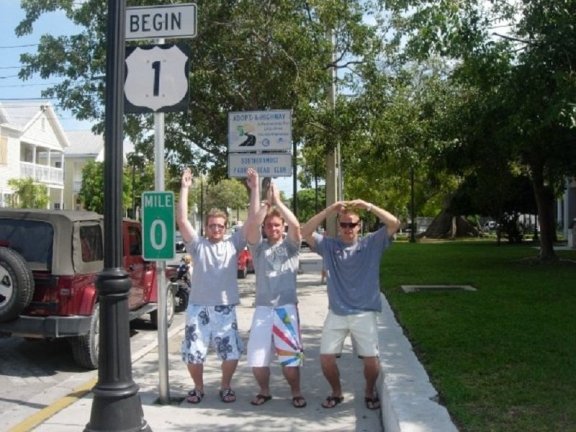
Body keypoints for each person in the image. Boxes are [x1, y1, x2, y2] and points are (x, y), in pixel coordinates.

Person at [301, 199, 401, 410]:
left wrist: (368, 206)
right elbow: (305, 232)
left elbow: (394, 224)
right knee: (326, 358)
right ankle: (336, 393)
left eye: (352, 224)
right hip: (337, 312)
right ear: (338, 226)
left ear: (360, 226)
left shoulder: (371, 243)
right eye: (344, 224)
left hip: (364, 312)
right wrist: (330, 209)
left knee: (371, 359)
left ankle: (369, 391)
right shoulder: (329, 246)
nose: (348, 229)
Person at [177, 167, 259, 404]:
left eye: (220, 226)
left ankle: (225, 386)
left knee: (231, 352)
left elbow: (253, 220)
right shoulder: (197, 246)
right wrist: (185, 188)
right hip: (198, 307)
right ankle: (199, 388)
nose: (216, 229)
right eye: (212, 225)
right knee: (193, 352)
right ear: (206, 227)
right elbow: (182, 219)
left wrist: (254, 189)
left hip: (224, 307)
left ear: (226, 227)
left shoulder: (233, 244)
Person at [244, 173, 306, 408]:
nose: (273, 228)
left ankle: (297, 392)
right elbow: (251, 228)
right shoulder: (258, 248)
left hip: (285, 308)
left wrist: (278, 203)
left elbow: (297, 226)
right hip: (262, 309)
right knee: (257, 360)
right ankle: (264, 391)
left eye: (277, 225)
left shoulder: (291, 247)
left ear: (283, 227)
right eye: (269, 225)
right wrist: (266, 204)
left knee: (290, 360)